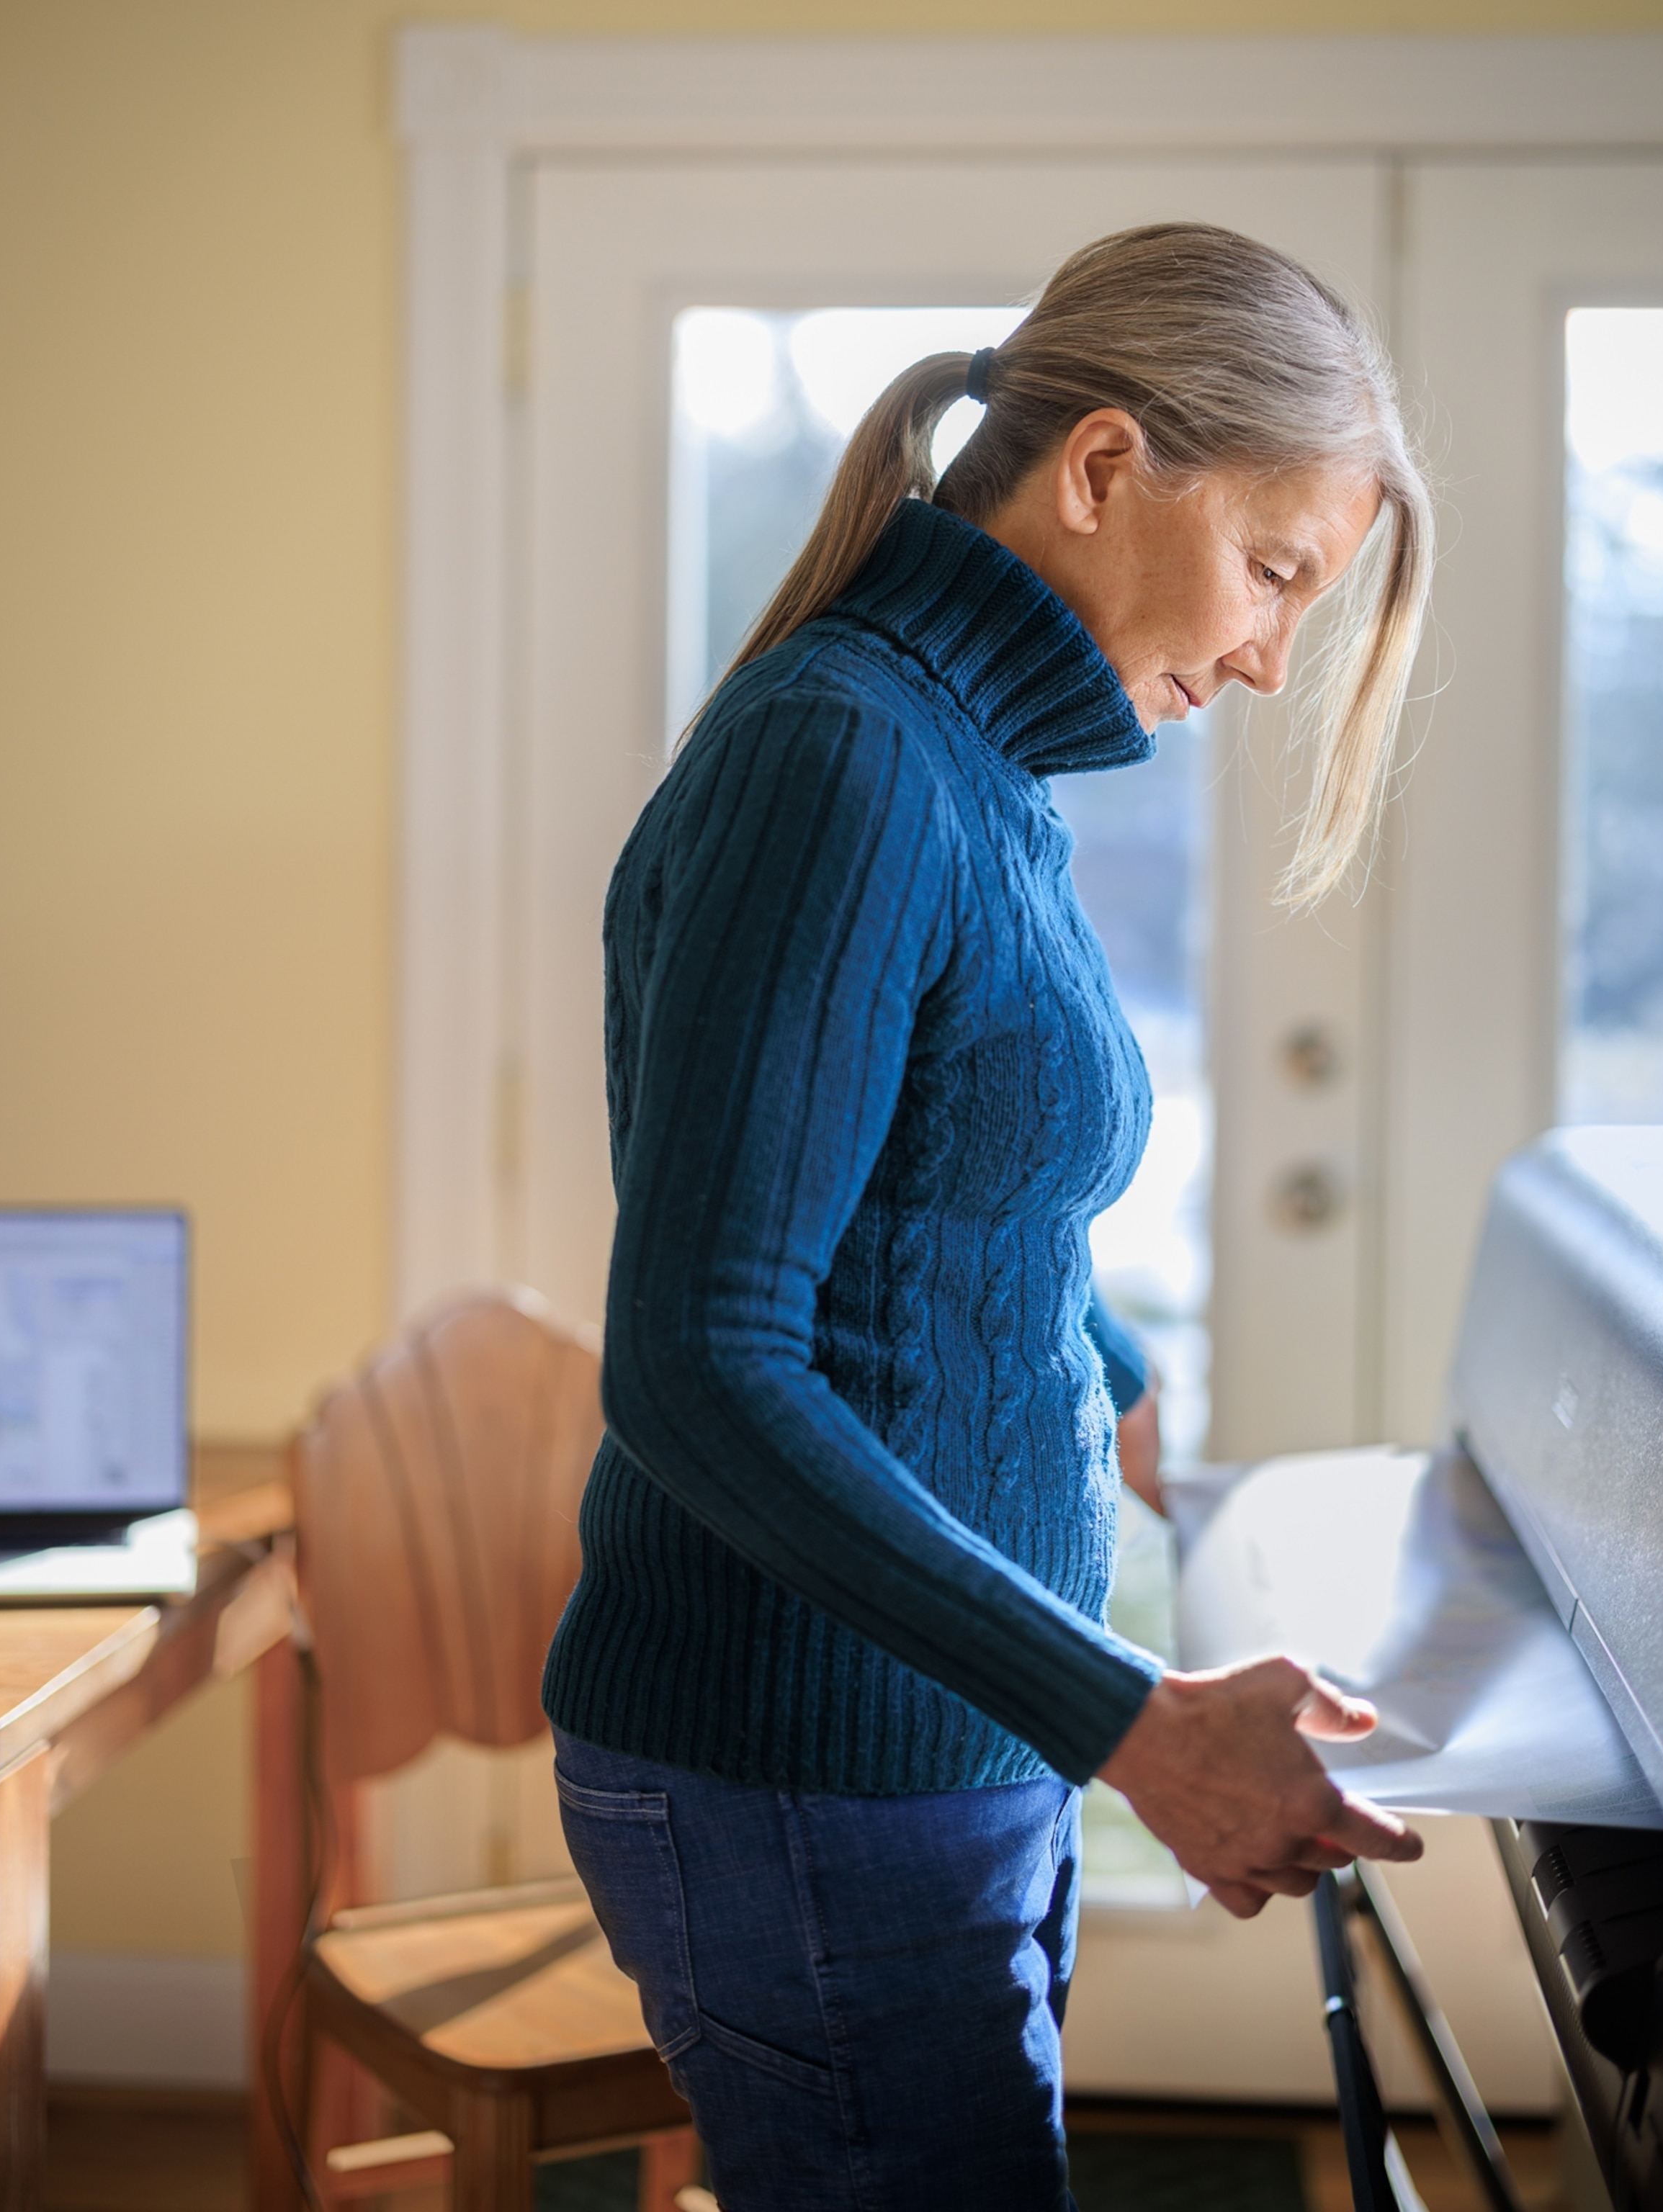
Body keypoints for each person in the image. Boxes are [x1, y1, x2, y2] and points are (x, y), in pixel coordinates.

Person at [543, 222, 1435, 2211]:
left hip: (930, 1741)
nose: (1278, 655)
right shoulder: (844, 757)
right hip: (808, 1764)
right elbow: (701, 1362)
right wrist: (1136, 1722)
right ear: (1106, 470)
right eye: (1278, 569)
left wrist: (1094, 1367)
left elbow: (949, 1161)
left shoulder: (975, 763)